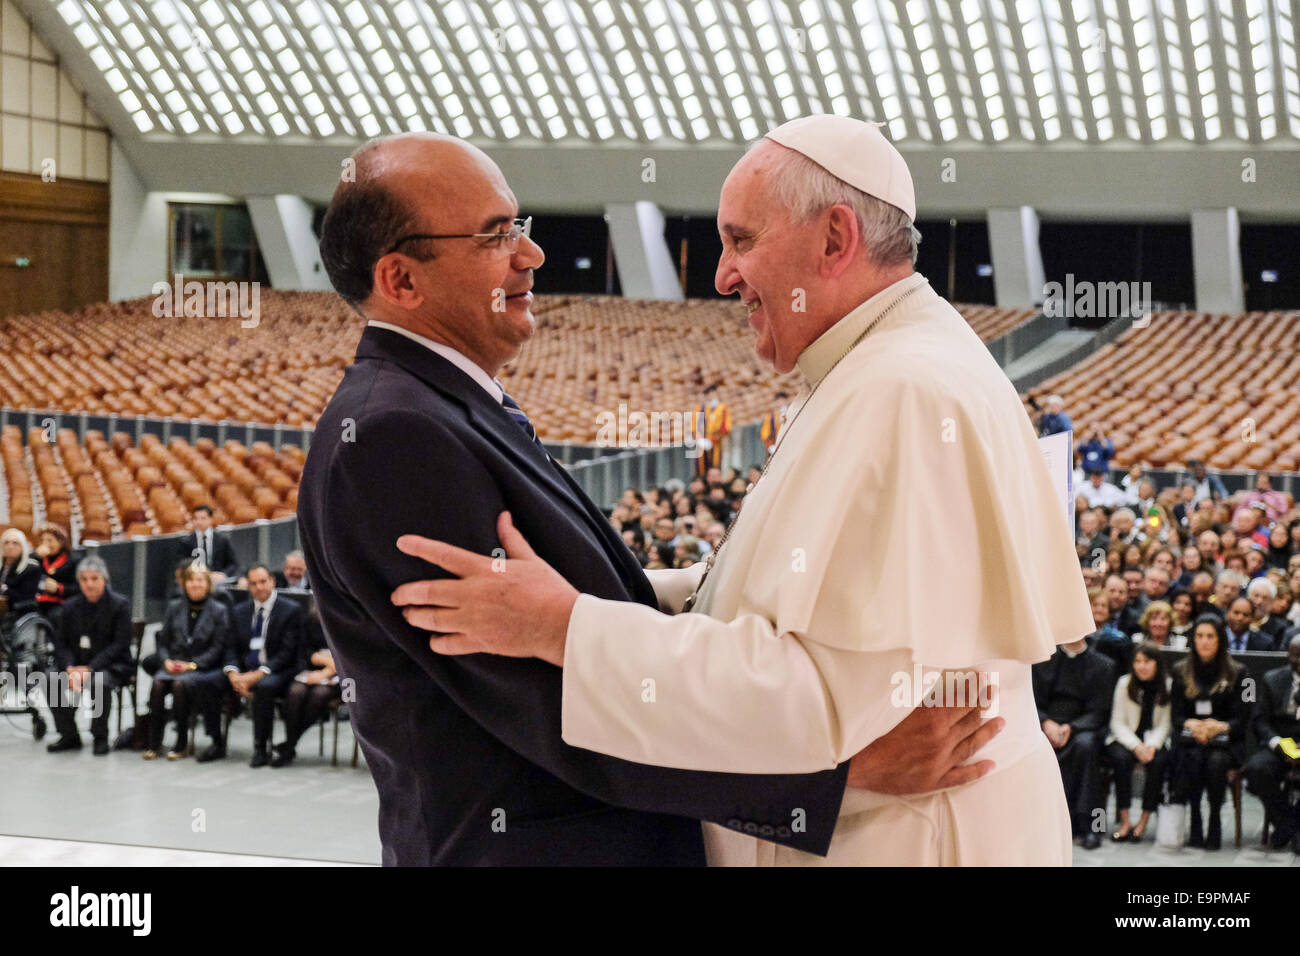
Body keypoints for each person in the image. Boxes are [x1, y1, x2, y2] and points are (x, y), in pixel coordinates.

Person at [390, 116, 1096, 865]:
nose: (723, 274)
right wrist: (597, 589)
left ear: (834, 239)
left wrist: (568, 628)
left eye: (742, 240)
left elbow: (815, 699)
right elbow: (793, 597)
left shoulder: (901, 391)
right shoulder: (887, 365)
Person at [1030, 634, 1116, 849]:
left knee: (1086, 747)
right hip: (1045, 725)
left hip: (1083, 727)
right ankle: (1043, 824)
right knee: (1033, 747)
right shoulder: (1042, 660)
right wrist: (1046, 722)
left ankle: (1093, 827)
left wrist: (1072, 727)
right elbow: (1031, 700)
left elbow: (1100, 710)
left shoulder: (1103, 665)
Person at [1169, 614, 1247, 850]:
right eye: (1199, 636)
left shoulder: (1240, 672)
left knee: (1215, 761)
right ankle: (1195, 815)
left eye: (1210, 636)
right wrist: (1192, 725)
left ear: (1220, 640)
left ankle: (1214, 816)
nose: (1204, 641)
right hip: (1191, 739)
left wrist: (1219, 726)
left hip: (1225, 741)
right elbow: (1176, 716)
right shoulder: (1179, 670)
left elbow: (1243, 719)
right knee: (1192, 756)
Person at [44, 557, 135, 755]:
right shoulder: (69, 607)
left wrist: (89, 669)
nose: (89, 584)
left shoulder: (120, 605)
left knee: (98, 683)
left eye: (94, 578)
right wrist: (69, 667)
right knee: (49, 679)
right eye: (84, 579)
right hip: (76, 664)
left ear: (104, 579)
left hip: (111, 664)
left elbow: (120, 644)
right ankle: (69, 734)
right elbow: (61, 644)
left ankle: (100, 736)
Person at [219, 564, 303, 767]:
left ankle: (260, 747)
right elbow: (230, 646)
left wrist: (257, 674)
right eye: (253, 583)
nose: (259, 587)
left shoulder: (290, 610)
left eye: (263, 582)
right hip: (246, 668)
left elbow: (287, 653)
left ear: (272, 581)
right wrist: (233, 673)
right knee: (210, 679)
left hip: (278, 668)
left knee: (265, 686)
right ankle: (215, 741)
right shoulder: (239, 611)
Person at [145, 563, 231, 761]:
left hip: (201, 667)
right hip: (174, 664)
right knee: (158, 684)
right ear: (184, 584)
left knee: (179, 685)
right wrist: (166, 661)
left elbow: (217, 648)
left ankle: (181, 742)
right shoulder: (175, 607)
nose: (195, 585)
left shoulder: (219, 610)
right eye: (191, 580)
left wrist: (192, 665)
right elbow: (163, 641)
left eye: (200, 580)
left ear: (208, 584)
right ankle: (154, 742)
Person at [1105, 642, 1171, 843]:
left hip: (1154, 741)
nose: (1142, 666)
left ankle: (1143, 820)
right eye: (1137, 661)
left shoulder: (1167, 685)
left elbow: (1165, 725)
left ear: (1157, 664)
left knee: (1159, 762)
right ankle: (1125, 821)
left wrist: (1152, 746)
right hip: (1126, 739)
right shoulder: (1124, 683)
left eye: (1147, 661)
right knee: (1120, 759)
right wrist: (1136, 746)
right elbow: (1117, 723)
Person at [1243, 634, 1300, 852]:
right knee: (1256, 769)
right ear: (1289, 655)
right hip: (1280, 743)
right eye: (1297, 656)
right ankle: (1287, 823)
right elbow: (1259, 721)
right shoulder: (1271, 679)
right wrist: (1278, 744)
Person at [271, 605, 340, 768]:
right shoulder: (311, 618)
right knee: (295, 692)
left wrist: (327, 671)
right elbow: (304, 650)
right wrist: (319, 661)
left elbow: (352, 656)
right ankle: (290, 744)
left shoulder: (352, 618)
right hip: (312, 669)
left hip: (345, 676)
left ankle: (289, 745)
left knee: (319, 695)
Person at [176, 505, 238, 585]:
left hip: (218, 581)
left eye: (203, 518)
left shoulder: (222, 540)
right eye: (196, 519)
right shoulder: (186, 542)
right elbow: (182, 563)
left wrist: (222, 574)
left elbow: (233, 563)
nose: (199, 522)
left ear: (210, 519)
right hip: (195, 581)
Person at [0, 528, 42, 643]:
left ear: (23, 547)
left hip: (19, 610)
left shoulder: (31, 568)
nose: (10, 546)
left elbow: (26, 598)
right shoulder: (2, 567)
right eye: (6, 543)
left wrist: (4, 589)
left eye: (15, 543)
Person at [32, 523, 78, 624]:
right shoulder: (36, 560)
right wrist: (35, 556)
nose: (46, 544)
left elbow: (78, 588)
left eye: (50, 540)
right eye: (43, 541)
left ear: (61, 542)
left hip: (61, 603)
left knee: (55, 617)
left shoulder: (72, 561)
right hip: (39, 602)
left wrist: (59, 588)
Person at [690, 385, 732, 477]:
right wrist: (699, 439)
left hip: (716, 443)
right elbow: (694, 425)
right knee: (701, 467)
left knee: (715, 465)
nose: (710, 396)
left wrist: (712, 439)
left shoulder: (723, 408)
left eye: (712, 393)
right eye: (708, 394)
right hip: (701, 443)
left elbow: (725, 427)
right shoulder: (700, 409)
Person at [759, 391, 789, 455]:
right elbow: (765, 435)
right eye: (779, 401)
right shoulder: (770, 417)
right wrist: (770, 446)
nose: (781, 403)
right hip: (777, 445)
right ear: (776, 403)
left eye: (783, 400)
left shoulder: (792, 412)